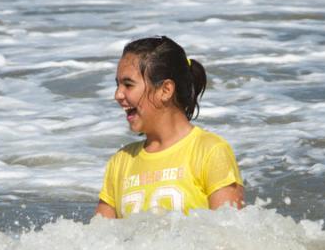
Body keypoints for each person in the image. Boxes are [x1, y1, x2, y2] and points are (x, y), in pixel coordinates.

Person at [95, 36, 244, 219]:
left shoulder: (210, 151)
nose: (118, 95)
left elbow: (229, 239)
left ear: (165, 90)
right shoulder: (120, 163)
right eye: (117, 85)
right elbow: (97, 243)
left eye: (128, 84)